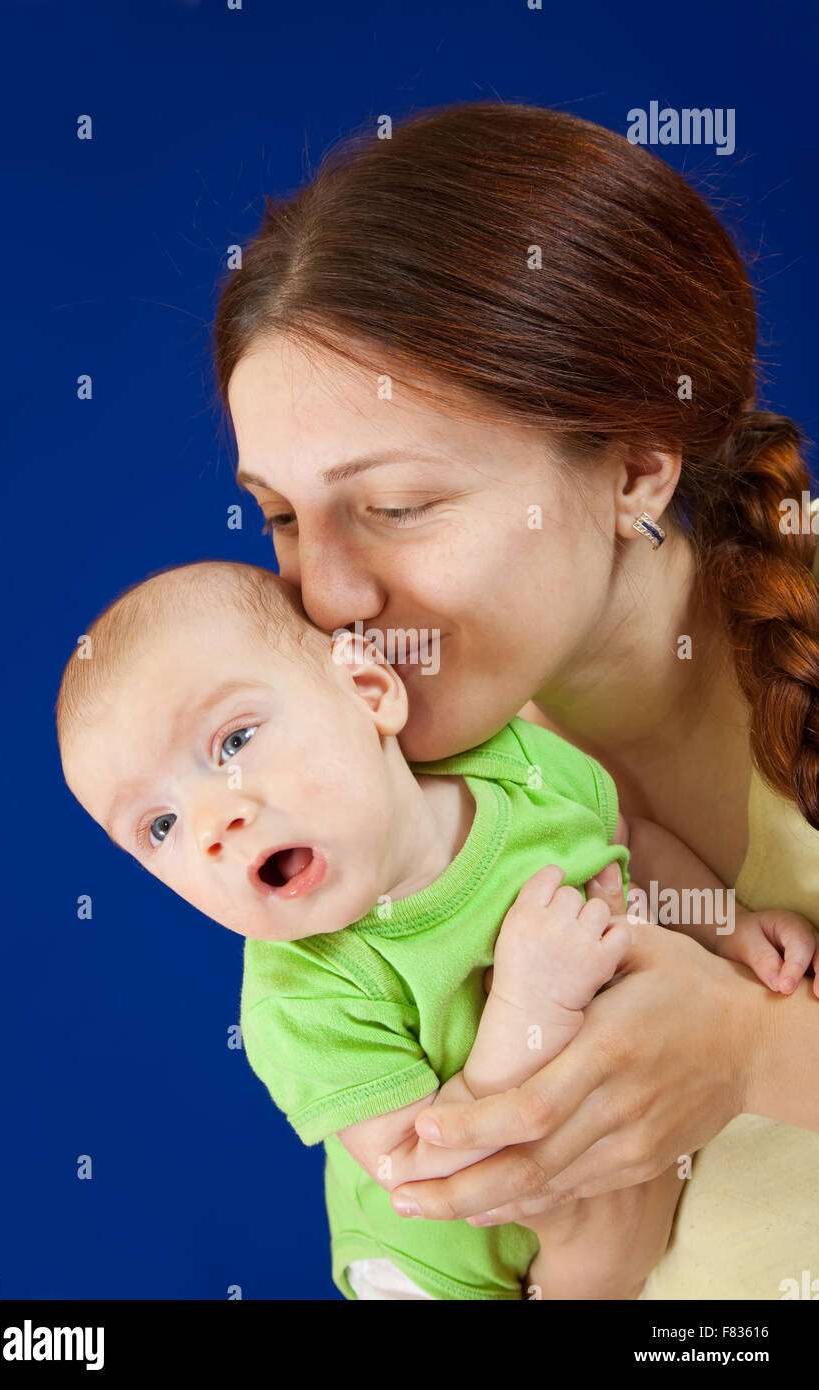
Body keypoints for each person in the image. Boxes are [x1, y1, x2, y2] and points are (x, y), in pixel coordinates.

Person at [211, 101, 819, 1298]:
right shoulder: (391, 837)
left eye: (393, 505)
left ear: (635, 465)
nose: (325, 594)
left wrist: (752, 1052)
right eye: (280, 516)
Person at [54, 561, 816, 1300]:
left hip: (620, 1174)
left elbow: (627, 840)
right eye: (159, 826)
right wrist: (525, 1008)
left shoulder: (511, 768)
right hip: (441, 1270)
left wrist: (730, 926)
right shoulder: (301, 998)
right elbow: (425, 1172)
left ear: (366, 688)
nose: (213, 825)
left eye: (233, 742)